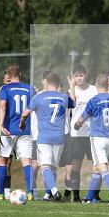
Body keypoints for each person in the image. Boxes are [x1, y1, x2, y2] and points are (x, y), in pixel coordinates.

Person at [73, 71, 109, 204]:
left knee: (102, 167)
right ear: (108, 84)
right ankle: (89, 197)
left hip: (97, 138)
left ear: (96, 85)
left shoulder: (94, 100)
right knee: (97, 168)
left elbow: (82, 118)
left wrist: (77, 125)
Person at [21, 71, 74, 201]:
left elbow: (25, 113)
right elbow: (74, 103)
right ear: (58, 83)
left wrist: (22, 123)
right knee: (52, 167)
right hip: (60, 138)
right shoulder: (64, 97)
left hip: (44, 138)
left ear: (46, 82)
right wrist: (71, 87)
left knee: (45, 166)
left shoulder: (38, 97)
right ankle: (47, 194)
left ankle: (54, 191)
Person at [0, 64, 35, 200]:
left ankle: (0, 193)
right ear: (21, 74)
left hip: (8, 130)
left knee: (2, 161)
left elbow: (2, 106)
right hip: (25, 130)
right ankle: (30, 193)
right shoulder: (30, 89)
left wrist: (0, 124)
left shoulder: (5, 88)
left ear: (7, 75)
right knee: (27, 161)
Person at [65, 65, 98, 202]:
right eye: (76, 76)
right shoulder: (70, 91)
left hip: (91, 133)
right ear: (73, 77)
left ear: (86, 75)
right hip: (76, 135)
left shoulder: (94, 90)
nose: (79, 78)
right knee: (76, 166)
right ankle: (76, 196)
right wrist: (72, 88)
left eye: (81, 75)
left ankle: (94, 195)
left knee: (96, 165)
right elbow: (71, 104)